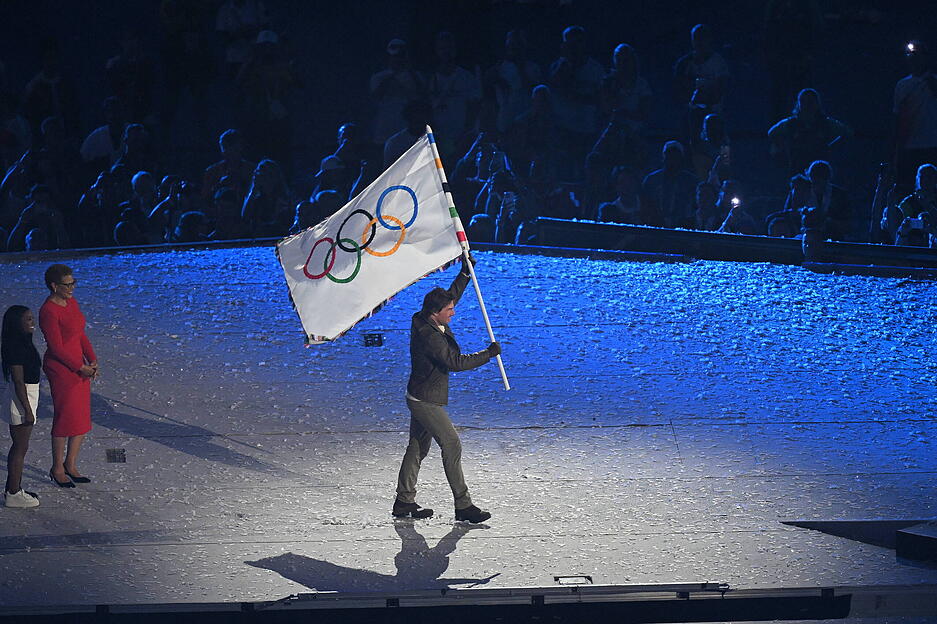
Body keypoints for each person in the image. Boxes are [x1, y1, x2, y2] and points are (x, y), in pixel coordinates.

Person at [394, 255, 499, 524]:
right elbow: (455, 362)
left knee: (417, 448)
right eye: (449, 310)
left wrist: (465, 273)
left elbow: (451, 296)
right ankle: (463, 505)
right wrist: (487, 354)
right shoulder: (430, 337)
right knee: (451, 444)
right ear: (435, 312)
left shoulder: (425, 317)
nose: (453, 312)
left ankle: (404, 501)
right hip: (425, 400)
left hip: (419, 393)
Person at [39, 264, 98, 488]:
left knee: (80, 416)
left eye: (73, 283)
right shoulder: (48, 311)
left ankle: (70, 464)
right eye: (67, 284)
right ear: (54, 286)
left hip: (79, 366)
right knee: (65, 417)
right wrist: (79, 367)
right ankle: (57, 467)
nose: (72, 288)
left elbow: (79, 334)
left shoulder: (72, 303)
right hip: (62, 369)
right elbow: (56, 347)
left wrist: (92, 359)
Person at [2, 305, 41, 508]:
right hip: (22, 397)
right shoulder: (16, 346)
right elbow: (18, 382)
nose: (32, 322)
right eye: (27, 319)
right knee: (20, 446)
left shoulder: (22, 341)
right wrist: (28, 410)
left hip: (27, 394)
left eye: (31, 318)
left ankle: (13, 488)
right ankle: (13, 493)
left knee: (20, 446)